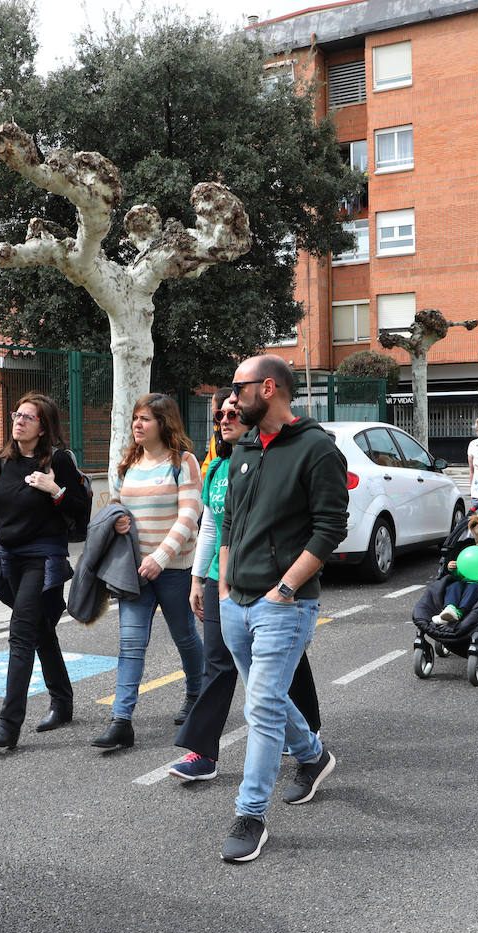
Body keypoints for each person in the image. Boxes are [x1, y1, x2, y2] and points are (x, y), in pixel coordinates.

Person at [217, 355, 348, 863]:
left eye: (238, 388)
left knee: (261, 706)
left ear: (268, 389)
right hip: (236, 599)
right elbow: (229, 522)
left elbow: (330, 528)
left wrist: (286, 589)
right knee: (265, 698)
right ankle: (314, 758)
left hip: (284, 605)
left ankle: (250, 814)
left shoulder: (317, 449)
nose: (231, 398)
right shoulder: (243, 447)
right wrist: (225, 587)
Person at [169, 390, 321, 783]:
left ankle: (307, 735)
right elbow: (211, 527)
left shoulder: (279, 459)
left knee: (284, 669)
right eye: (219, 413)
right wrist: (199, 579)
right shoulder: (218, 468)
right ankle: (203, 751)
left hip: (274, 585)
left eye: (233, 412)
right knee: (219, 664)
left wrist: (286, 586)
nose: (224, 419)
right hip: (226, 583)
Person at [0, 392, 89, 750]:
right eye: (17, 414)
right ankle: (62, 701)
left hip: (43, 561)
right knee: (40, 631)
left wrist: (54, 489)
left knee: (21, 634)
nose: (19, 420)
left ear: (43, 428)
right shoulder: (4, 460)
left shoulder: (57, 461)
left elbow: (82, 511)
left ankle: (8, 726)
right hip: (10, 559)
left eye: (28, 417)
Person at [92, 394, 205, 751]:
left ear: (164, 423)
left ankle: (196, 694)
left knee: (185, 636)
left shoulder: (183, 462)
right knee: (130, 645)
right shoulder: (128, 463)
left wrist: (161, 556)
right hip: (135, 573)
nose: (137, 425)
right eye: (135, 419)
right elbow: (118, 506)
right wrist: (119, 520)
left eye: (145, 419)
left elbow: (190, 516)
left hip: (174, 569)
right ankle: (121, 721)